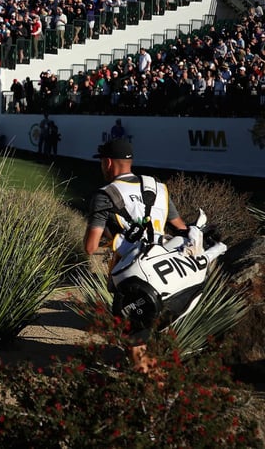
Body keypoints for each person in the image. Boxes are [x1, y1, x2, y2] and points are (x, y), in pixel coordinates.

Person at [83, 140, 187, 371]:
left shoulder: (105, 194)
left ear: (107, 162)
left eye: (102, 162)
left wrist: (112, 238)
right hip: (165, 272)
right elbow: (181, 229)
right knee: (147, 338)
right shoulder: (158, 187)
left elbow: (90, 247)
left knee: (135, 343)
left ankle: (157, 395)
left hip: (133, 279)